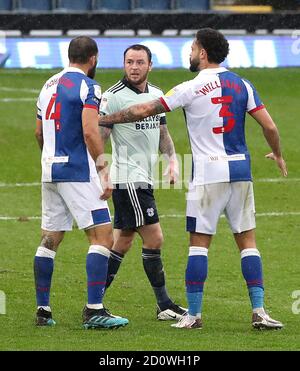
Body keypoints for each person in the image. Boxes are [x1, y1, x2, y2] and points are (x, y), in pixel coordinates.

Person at [98, 29, 288, 330]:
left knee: (199, 245)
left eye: (192, 48)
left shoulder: (190, 87)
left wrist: (103, 119)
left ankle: (194, 315)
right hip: (240, 171)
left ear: (202, 53)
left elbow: (144, 109)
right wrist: (276, 153)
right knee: (248, 243)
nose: (189, 53)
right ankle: (259, 311)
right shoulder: (243, 84)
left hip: (208, 173)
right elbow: (270, 126)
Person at [34, 36, 128, 329]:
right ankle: (94, 310)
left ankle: (43, 310)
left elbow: (38, 132)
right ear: (94, 58)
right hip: (78, 169)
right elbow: (90, 131)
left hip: (50, 169)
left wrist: (51, 158)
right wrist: (102, 168)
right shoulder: (89, 86)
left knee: (50, 238)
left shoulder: (47, 86)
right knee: (103, 236)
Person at [99, 44, 186, 321]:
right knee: (155, 237)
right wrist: (100, 171)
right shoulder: (112, 97)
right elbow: (99, 138)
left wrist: (172, 160)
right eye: (129, 62)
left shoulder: (158, 95)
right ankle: (164, 304)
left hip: (143, 178)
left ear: (150, 65)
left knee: (122, 242)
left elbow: (162, 131)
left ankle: (94, 302)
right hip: (128, 178)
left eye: (139, 62)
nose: (133, 67)